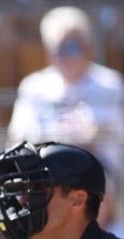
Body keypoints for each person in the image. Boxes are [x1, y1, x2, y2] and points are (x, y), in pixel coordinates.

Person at [7, 6, 123, 178]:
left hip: (97, 173)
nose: (65, 55)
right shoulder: (33, 86)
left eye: (72, 47)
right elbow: (18, 137)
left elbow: (108, 134)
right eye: (58, 49)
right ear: (48, 54)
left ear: (89, 48)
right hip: (44, 172)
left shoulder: (109, 84)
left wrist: (55, 140)